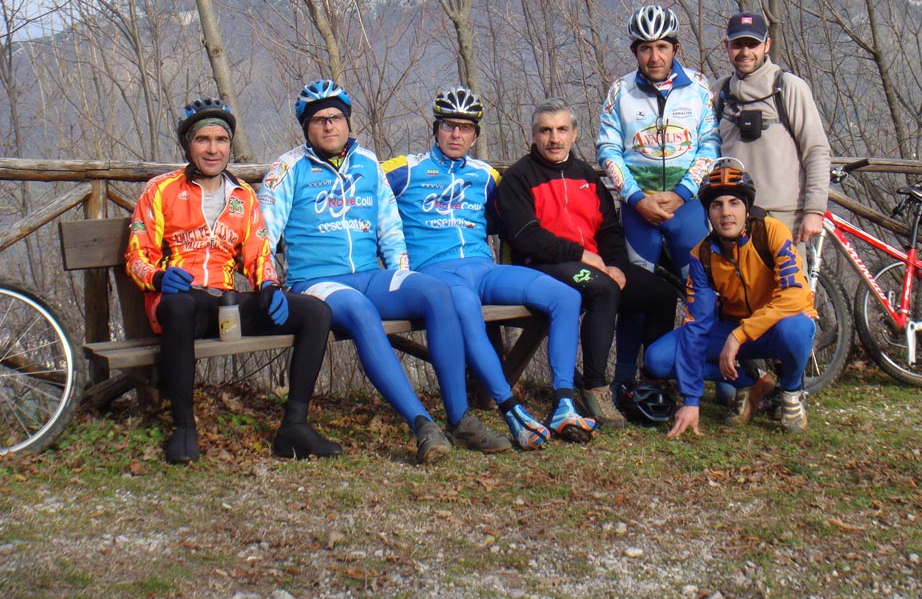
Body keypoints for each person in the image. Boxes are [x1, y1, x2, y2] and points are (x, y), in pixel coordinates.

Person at [258, 80, 510, 465]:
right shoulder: (288, 168)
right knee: (358, 308)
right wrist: (269, 282)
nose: (329, 127)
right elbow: (264, 231)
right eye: (319, 120)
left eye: (336, 118)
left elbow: (390, 228)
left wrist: (403, 276)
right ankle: (423, 425)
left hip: (367, 273)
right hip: (315, 281)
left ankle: (460, 419)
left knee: (434, 292)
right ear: (306, 127)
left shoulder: (368, 164)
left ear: (348, 122)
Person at [125, 97, 338, 464]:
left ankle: (294, 427)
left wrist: (269, 286)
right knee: (177, 307)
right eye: (202, 140)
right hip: (181, 304)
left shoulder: (243, 195)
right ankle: (184, 428)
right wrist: (159, 278)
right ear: (188, 145)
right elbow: (135, 256)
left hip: (224, 302)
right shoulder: (160, 191)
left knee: (316, 312)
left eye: (221, 140)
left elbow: (257, 253)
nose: (213, 149)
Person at [382, 87, 594, 445]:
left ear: (475, 135)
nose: (456, 135)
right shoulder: (405, 169)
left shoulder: (486, 176)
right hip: (435, 273)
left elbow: (511, 225)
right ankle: (510, 408)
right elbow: (359, 194)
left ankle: (563, 404)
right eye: (449, 126)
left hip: (484, 269)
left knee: (565, 296)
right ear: (436, 129)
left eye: (465, 128)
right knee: (463, 305)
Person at [496, 97, 678, 428]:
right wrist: (584, 257)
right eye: (546, 131)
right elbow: (525, 235)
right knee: (603, 290)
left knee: (661, 293)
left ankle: (651, 381)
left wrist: (618, 265)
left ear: (574, 134)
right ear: (533, 135)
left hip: (594, 265)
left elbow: (609, 229)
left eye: (562, 129)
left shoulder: (586, 176)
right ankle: (596, 388)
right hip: (541, 267)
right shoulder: (519, 178)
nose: (554, 138)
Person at [644, 159, 817, 437]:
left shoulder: (771, 232)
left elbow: (795, 296)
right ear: (708, 213)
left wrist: (740, 335)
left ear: (746, 208)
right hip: (731, 328)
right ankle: (751, 381)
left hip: (773, 328)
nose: (726, 213)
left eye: (734, 203)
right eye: (716, 205)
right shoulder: (701, 255)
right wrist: (691, 399)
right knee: (658, 359)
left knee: (796, 327)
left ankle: (792, 392)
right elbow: (697, 324)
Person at [595, 4, 720, 281]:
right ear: (634, 52)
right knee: (638, 299)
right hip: (638, 208)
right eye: (645, 48)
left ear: (675, 49)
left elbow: (710, 145)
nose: (654, 57)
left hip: (687, 205)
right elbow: (608, 151)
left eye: (662, 47)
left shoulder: (698, 87)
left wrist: (682, 194)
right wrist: (637, 199)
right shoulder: (620, 91)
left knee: (702, 292)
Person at [712, 11, 831, 254]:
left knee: (790, 290)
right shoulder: (719, 92)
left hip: (783, 217)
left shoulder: (788, 88)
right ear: (726, 46)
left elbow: (816, 151)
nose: (745, 52)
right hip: (732, 218)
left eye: (753, 44)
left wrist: (814, 211)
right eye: (738, 44)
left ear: (767, 44)